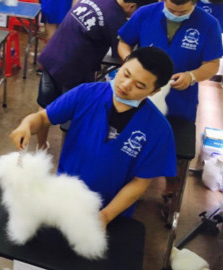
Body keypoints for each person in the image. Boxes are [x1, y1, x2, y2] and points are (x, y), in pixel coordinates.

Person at [10, 47, 177, 224]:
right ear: (123, 64)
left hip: (112, 210)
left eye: (139, 85)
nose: (125, 85)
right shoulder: (86, 94)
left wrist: (105, 216)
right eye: (126, 74)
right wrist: (27, 124)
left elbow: (140, 182)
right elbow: (43, 118)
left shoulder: (158, 130)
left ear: (154, 91)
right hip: (63, 196)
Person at [118, 0, 222, 217]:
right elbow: (124, 42)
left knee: (175, 150)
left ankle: (170, 193)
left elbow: (212, 64)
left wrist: (192, 76)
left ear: (195, 4)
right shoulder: (145, 14)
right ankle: (128, 185)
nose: (175, 14)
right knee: (133, 141)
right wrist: (131, 64)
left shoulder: (208, 25)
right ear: (164, 0)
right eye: (170, 9)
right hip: (140, 96)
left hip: (180, 100)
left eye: (182, 12)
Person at [35, 0, 158, 149]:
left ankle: (41, 146)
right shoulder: (117, 20)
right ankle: (69, 156)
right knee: (74, 117)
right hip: (73, 71)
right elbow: (120, 52)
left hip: (51, 57)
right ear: (132, 6)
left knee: (44, 108)